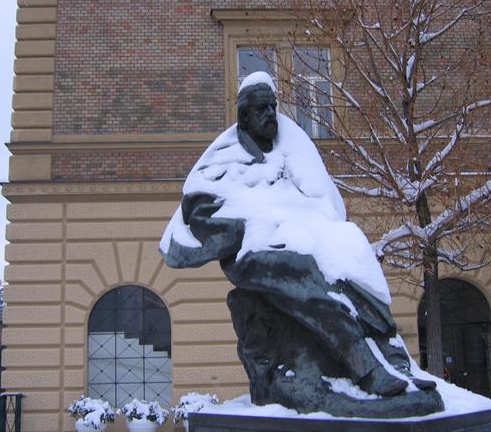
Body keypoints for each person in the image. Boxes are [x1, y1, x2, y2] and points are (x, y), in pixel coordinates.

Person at [161, 72, 435, 406]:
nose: (269, 115)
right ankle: (365, 368)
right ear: (243, 117)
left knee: (349, 253)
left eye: (273, 107)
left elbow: (320, 199)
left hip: (295, 237)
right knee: (305, 270)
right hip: (251, 253)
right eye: (261, 109)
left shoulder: (286, 151)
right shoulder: (223, 159)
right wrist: (252, 222)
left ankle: (395, 359)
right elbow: (200, 210)